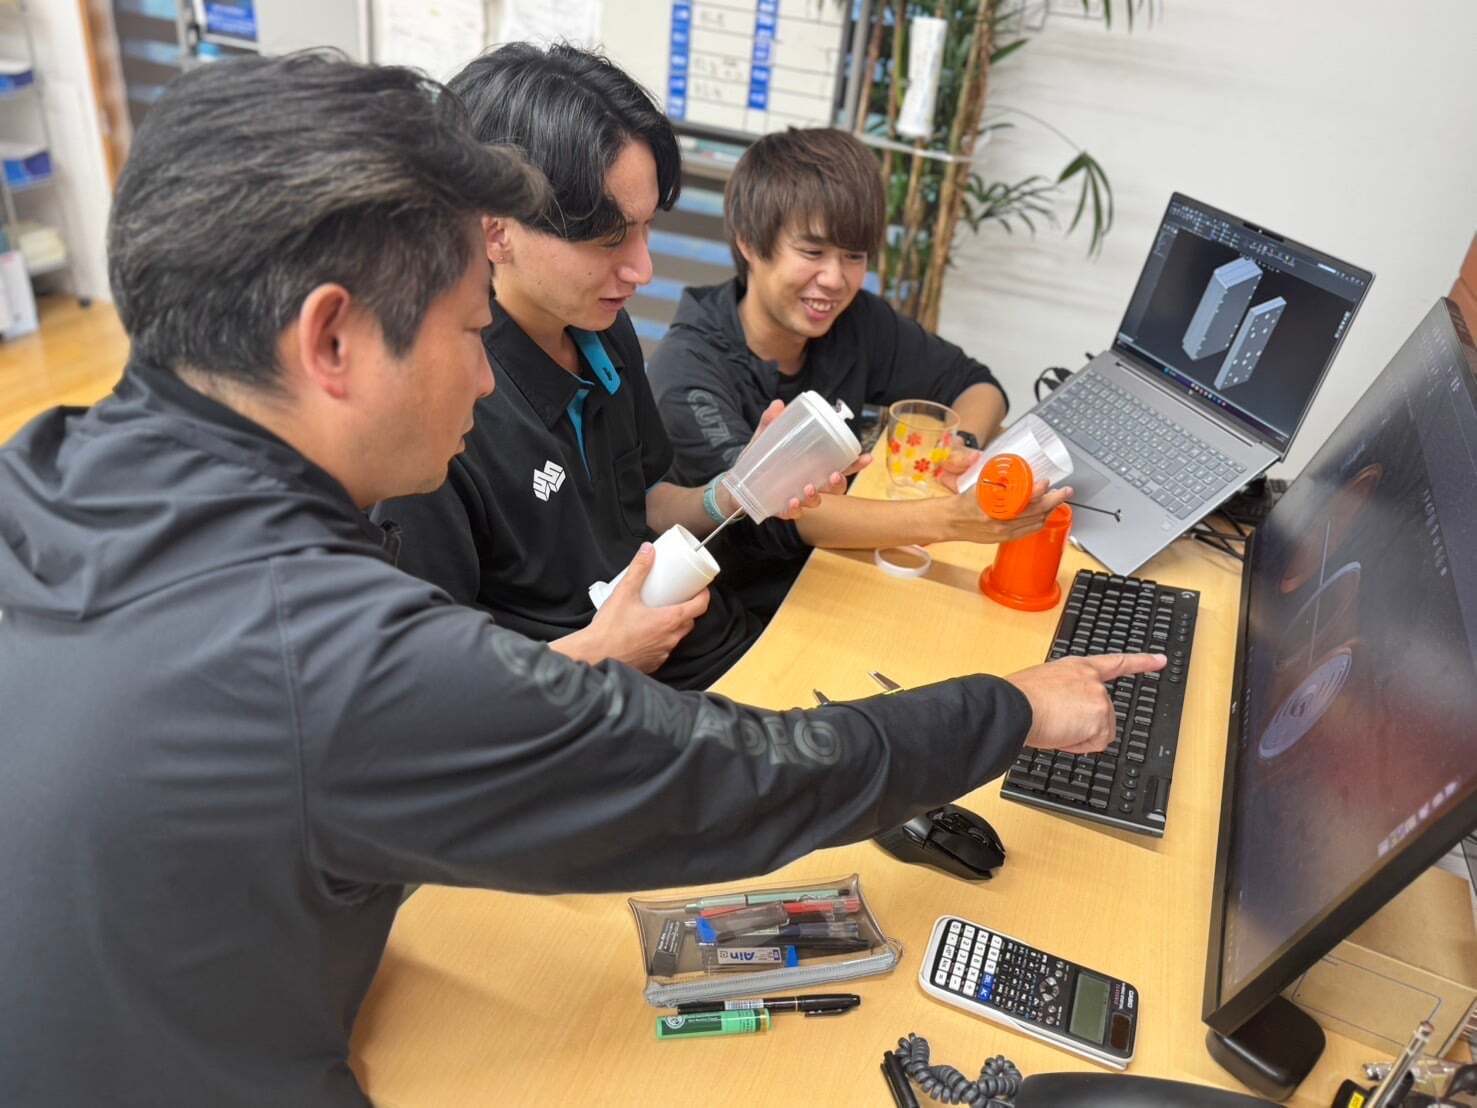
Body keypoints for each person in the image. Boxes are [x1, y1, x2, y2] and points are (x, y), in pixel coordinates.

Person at [0, 52, 1162, 1108]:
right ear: (332, 340)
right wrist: (1011, 706)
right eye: (469, 331)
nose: (481, 378)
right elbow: (738, 780)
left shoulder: (43, 470)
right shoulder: (327, 653)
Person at [373, 44, 852, 690]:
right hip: (607, 710)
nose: (642, 269)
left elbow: (640, 507)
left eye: (646, 227)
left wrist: (738, 489)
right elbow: (433, 695)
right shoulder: (435, 413)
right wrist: (602, 652)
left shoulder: (601, 329)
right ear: (495, 231)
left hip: (714, 649)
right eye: (609, 240)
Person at [647, 127, 1070, 614]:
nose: (835, 279)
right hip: (745, 611)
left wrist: (960, 447)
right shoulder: (689, 370)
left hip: (841, 571)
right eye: (812, 252)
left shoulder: (855, 322)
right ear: (749, 242)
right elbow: (788, 516)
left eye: (854, 256)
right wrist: (953, 518)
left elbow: (977, 385)